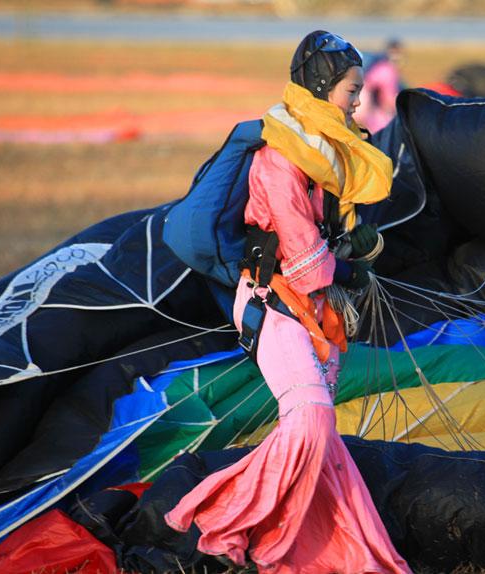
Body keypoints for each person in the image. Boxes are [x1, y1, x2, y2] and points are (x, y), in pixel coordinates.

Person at [164, 31, 411, 573]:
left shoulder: (331, 154)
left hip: (321, 315)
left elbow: (332, 237)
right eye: (351, 89)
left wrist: (357, 244)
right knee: (311, 424)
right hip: (275, 306)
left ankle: (336, 549)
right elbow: (305, 255)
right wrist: (348, 262)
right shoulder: (282, 158)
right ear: (323, 89)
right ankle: (219, 520)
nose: (357, 100)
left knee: (322, 446)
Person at [355, 38, 405, 133]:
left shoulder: (377, 68)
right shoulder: (387, 71)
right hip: (378, 120)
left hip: (368, 117)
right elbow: (388, 100)